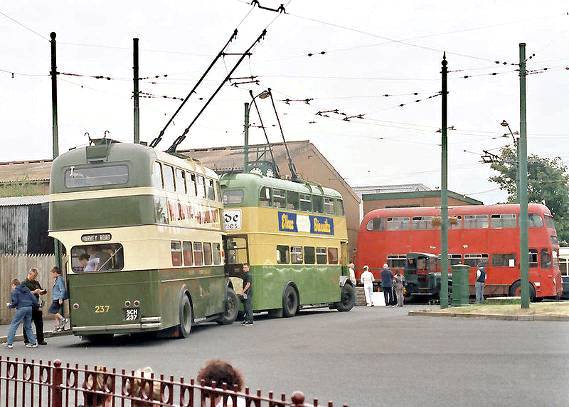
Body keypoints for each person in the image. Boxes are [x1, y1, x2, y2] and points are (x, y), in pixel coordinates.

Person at [5, 279, 38, 349]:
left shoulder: (15, 291)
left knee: (14, 325)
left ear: (13, 285)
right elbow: (34, 299)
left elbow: (15, 302)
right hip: (29, 308)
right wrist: (37, 306)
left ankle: (9, 343)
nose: (12, 288)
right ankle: (33, 343)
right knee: (28, 326)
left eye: (12, 286)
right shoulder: (27, 289)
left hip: (21, 308)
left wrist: (9, 305)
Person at [22, 267, 47, 345]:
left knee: (39, 323)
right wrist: (34, 291)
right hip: (28, 305)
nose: (35, 277)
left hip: (36, 305)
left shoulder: (36, 283)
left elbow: (40, 290)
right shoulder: (24, 283)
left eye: (36, 276)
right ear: (29, 274)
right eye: (34, 276)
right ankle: (27, 340)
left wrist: (42, 291)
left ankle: (40, 340)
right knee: (27, 323)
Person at [49, 266, 68, 331]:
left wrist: (60, 298)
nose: (52, 275)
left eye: (52, 273)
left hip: (58, 298)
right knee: (56, 313)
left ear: (55, 273)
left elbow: (62, 289)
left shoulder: (59, 279)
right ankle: (57, 326)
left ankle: (63, 319)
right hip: (56, 298)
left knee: (52, 310)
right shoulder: (57, 279)